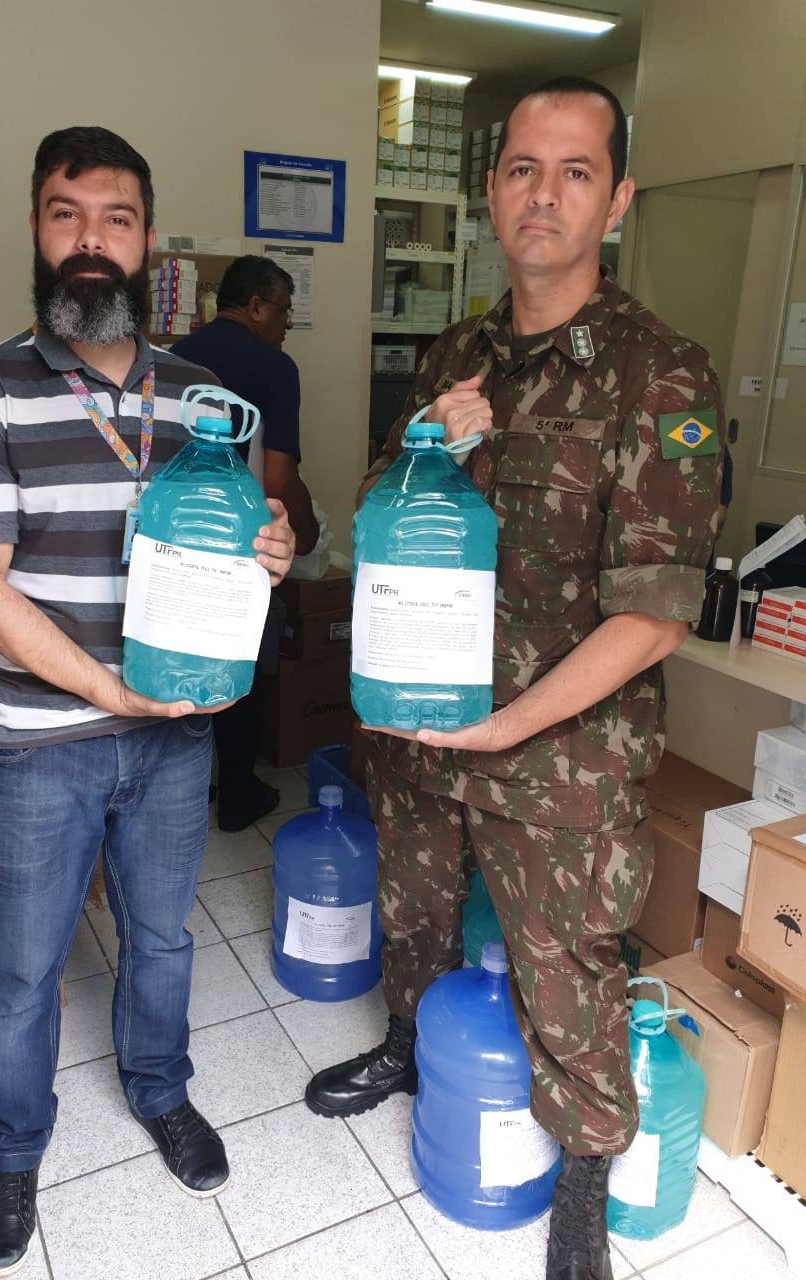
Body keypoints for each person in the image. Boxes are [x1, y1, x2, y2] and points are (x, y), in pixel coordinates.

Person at [305, 78, 724, 1280]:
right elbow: (380, 516)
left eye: (575, 171)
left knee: (570, 962)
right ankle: (408, 1043)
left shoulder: (661, 373)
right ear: (490, 192)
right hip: (424, 721)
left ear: (617, 200)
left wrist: (509, 727)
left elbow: (655, 615)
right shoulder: (455, 352)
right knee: (415, 907)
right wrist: (424, 442)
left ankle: (585, 1168)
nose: (545, 194)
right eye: (523, 170)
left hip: (565, 748)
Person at [0, 126, 295, 1277]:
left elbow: (233, 543)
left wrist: (272, 548)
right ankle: (13, 1147)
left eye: (116, 219)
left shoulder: (202, 397)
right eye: (67, 214)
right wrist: (111, 689)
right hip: (41, 744)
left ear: (147, 243)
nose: (92, 240)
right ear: (38, 231)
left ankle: (160, 1089)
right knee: (25, 966)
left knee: (163, 938)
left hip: (175, 737)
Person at [172, 256, 319, 830]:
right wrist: (304, 533)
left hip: (174, 535)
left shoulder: (173, 356)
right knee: (239, 658)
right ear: (256, 307)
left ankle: (186, 787)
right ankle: (238, 790)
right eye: (284, 310)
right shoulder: (274, 367)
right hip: (238, 537)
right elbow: (278, 480)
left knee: (182, 656)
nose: (287, 324)